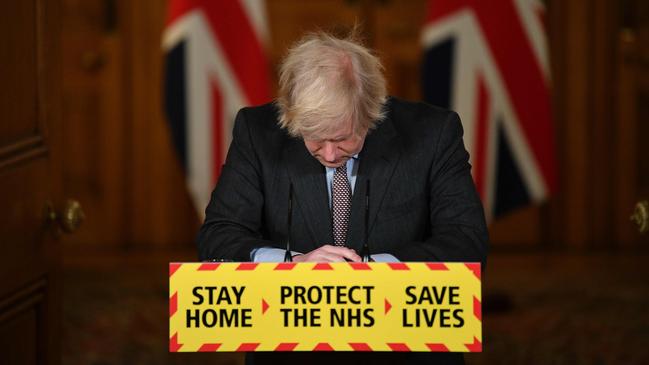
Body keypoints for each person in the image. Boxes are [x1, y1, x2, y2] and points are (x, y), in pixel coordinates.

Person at [197, 31, 488, 364]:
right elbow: (218, 238)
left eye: (343, 138)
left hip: (407, 347)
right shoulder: (256, 132)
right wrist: (291, 266)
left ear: (371, 112)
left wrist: (371, 272)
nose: (331, 154)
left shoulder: (433, 134)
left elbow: (467, 243)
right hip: (292, 348)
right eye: (315, 140)